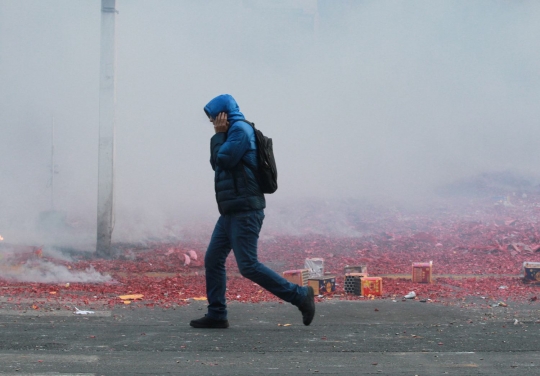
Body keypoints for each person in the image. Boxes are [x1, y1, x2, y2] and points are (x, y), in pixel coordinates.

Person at [190, 94, 315, 329]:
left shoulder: (240, 131)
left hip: (245, 210)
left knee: (248, 265)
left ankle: (300, 295)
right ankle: (217, 314)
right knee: (213, 259)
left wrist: (218, 135)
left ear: (223, 114)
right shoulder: (230, 133)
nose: (211, 122)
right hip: (231, 210)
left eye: (213, 117)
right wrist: (219, 136)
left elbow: (223, 160)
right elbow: (215, 162)